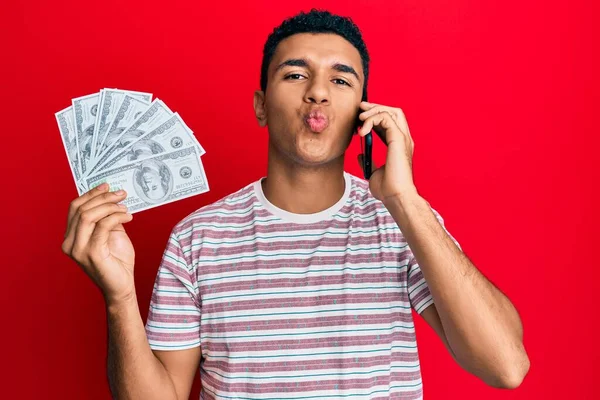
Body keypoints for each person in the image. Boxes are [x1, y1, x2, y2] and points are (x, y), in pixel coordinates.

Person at [62, 8, 530, 400]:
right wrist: (119, 298)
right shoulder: (195, 238)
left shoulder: (401, 222)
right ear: (261, 106)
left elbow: (506, 366)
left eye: (342, 81)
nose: (318, 92)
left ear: (365, 113)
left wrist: (404, 201)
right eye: (295, 74)